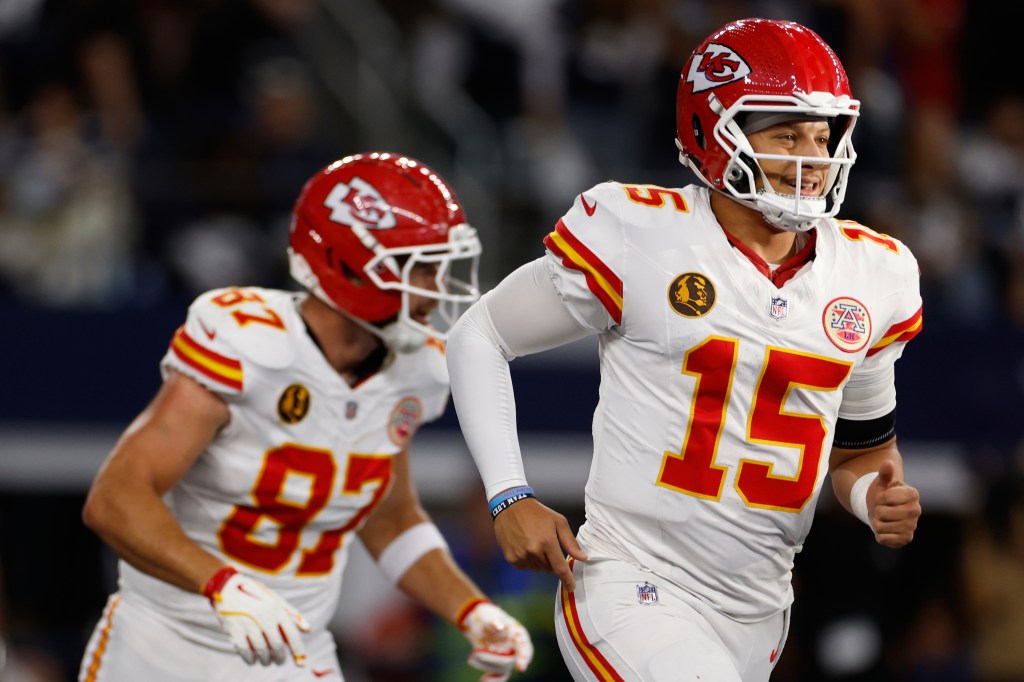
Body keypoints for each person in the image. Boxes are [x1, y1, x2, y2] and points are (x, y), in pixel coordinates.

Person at [446, 18, 923, 682]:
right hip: (631, 584)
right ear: (714, 134)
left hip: (760, 612)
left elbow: (862, 452)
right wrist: (508, 495)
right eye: (787, 135)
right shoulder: (639, 232)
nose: (814, 157)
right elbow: (479, 334)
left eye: (822, 135)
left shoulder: (874, 273)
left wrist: (874, 495)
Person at [78, 152, 533, 682]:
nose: (437, 287)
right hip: (166, 643)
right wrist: (222, 584)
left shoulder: (415, 370)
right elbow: (115, 497)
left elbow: (388, 519)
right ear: (349, 265)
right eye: (422, 266)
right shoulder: (249, 346)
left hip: (296, 651)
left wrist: (470, 610)